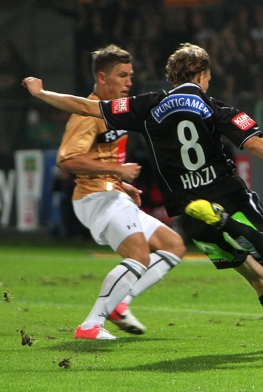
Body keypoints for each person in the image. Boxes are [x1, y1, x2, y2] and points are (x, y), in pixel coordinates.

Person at [22, 42, 263, 348]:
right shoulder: (216, 107)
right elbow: (253, 143)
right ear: (201, 75)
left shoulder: (146, 105)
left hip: (189, 210)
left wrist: (41, 94)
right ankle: (229, 223)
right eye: (208, 75)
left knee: (258, 279)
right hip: (227, 196)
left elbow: (85, 106)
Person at [56, 45, 186, 340]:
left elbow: (97, 158)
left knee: (172, 245)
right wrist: (119, 173)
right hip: (94, 198)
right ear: (102, 77)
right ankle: (91, 325)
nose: (129, 82)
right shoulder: (87, 114)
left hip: (111, 193)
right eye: (122, 76)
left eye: (130, 75)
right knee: (139, 255)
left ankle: (119, 304)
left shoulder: (113, 111)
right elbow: (67, 160)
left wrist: (121, 183)